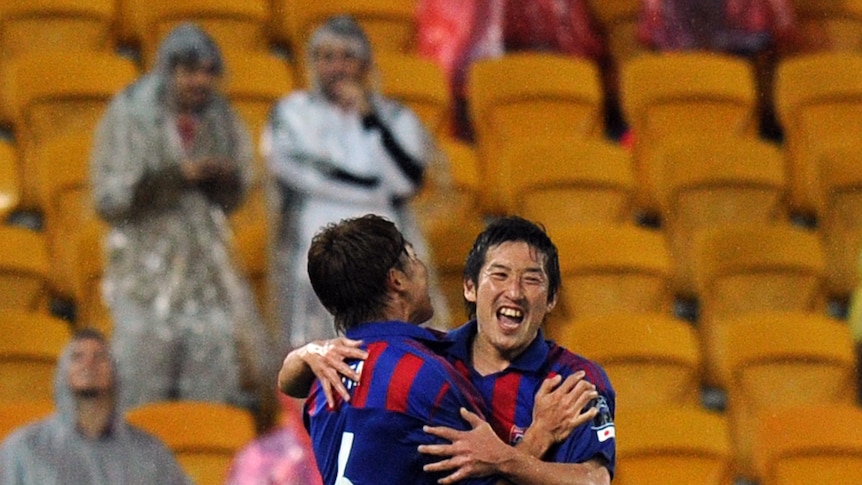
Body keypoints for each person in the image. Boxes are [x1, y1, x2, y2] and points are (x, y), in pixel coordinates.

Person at [281, 216, 615, 484]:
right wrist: (535, 438)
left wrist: (307, 353)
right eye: (499, 275)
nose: (514, 292)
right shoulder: (431, 372)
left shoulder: (573, 380)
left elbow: (594, 481)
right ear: (469, 287)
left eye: (532, 279)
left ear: (552, 297)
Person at [89, 23, 273, 412]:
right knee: (141, 388)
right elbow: (110, 197)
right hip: (144, 275)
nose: (200, 82)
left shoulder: (221, 117)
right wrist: (178, 176)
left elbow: (237, 192)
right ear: (168, 70)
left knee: (210, 388)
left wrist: (221, 178)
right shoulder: (131, 112)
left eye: (209, 72)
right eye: (191, 71)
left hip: (205, 274)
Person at [264, 15, 445, 351]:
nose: (337, 67)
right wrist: (371, 186)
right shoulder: (292, 113)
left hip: (384, 250)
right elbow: (294, 171)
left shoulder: (394, 118)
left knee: (390, 353)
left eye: (347, 57)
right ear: (312, 62)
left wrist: (369, 119)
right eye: (326, 57)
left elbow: (406, 181)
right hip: (316, 253)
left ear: (364, 64)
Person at [292, 214, 506, 484]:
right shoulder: (425, 376)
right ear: (397, 280)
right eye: (414, 257)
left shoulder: (321, 385)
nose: (422, 267)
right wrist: (540, 435)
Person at [0, 328, 191, 484]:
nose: (88, 364)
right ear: (62, 373)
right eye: (77, 357)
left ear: (115, 373)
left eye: (100, 357)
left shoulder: (149, 453)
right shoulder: (24, 449)